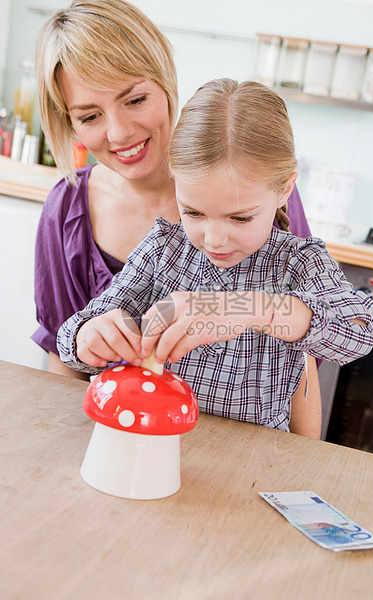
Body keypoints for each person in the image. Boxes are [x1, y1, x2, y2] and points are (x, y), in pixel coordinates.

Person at [32, 0, 321, 436]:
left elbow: (306, 353)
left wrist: (302, 468)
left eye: (135, 99)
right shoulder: (67, 209)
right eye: (89, 116)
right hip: (122, 444)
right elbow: (62, 353)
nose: (119, 133)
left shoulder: (252, 193)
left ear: (165, 83)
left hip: (246, 455)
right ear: (68, 122)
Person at [57, 78, 373, 437]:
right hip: (156, 444)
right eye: (193, 213)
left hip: (253, 462)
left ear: (284, 189)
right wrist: (87, 336)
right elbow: (73, 335)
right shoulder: (163, 249)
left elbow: (358, 330)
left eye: (240, 218)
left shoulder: (298, 263)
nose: (213, 238)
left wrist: (249, 309)